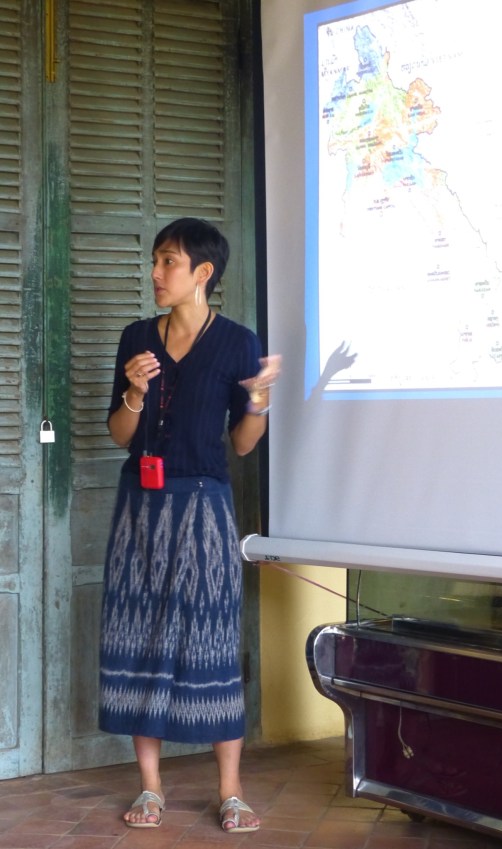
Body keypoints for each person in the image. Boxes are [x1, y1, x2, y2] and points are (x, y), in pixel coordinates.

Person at [98, 217, 279, 832]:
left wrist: (256, 402)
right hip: (139, 508)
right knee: (139, 634)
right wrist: (133, 394)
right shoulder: (135, 338)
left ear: (202, 273)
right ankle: (151, 788)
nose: (156, 273)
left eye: (168, 262)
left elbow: (244, 444)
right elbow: (121, 435)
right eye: (155, 260)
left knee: (210, 636)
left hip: (204, 503)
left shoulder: (237, 342)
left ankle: (230, 791)